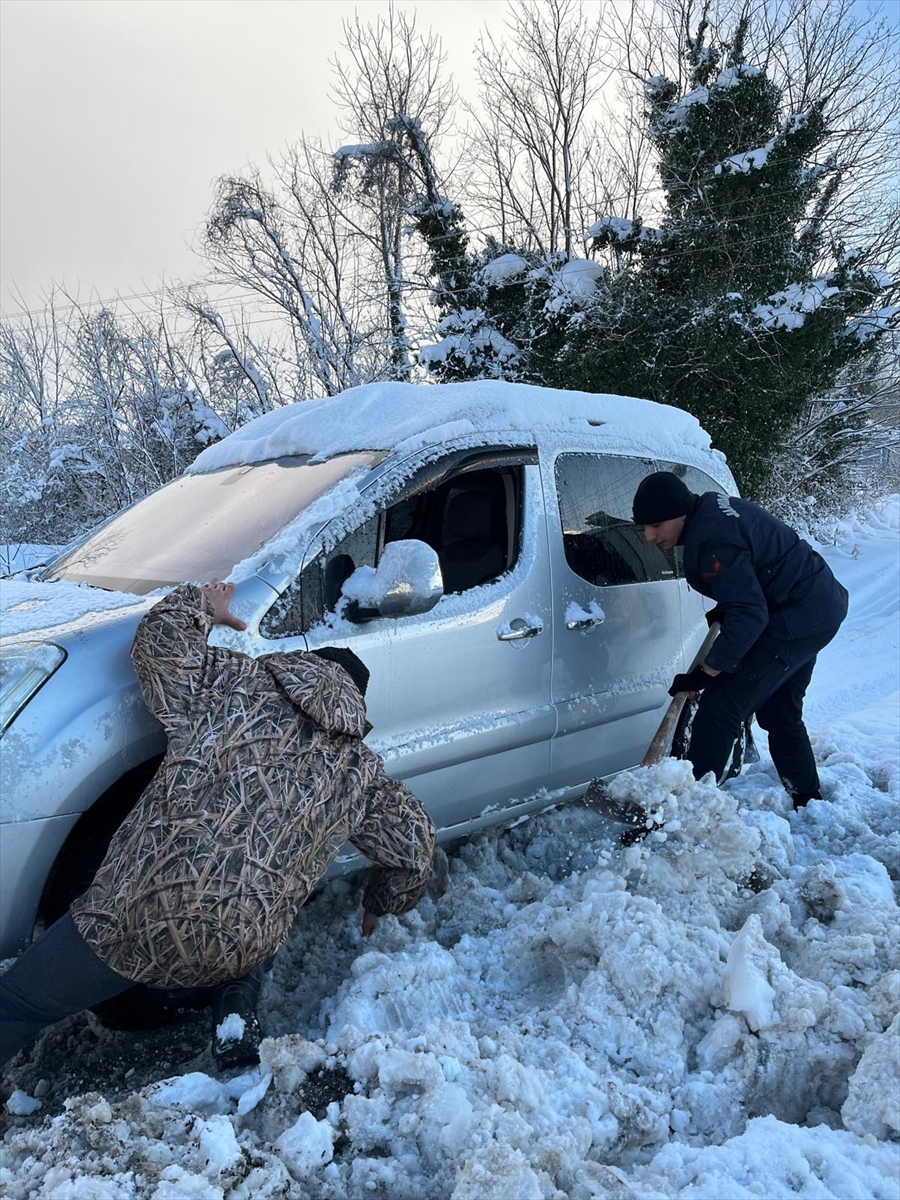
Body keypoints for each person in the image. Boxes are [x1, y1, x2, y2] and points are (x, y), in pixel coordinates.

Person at [1, 581, 435, 1071]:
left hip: (129, 923)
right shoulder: (361, 771)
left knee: (16, 1006)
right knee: (263, 899)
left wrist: (205, 605)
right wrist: (380, 902)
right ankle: (235, 1011)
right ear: (357, 707)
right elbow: (416, 845)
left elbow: (159, 645)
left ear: (297, 666)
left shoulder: (228, 683)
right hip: (238, 946)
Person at [632, 472, 848, 806]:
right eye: (643, 527)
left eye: (656, 525)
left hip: (800, 614)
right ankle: (808, 799)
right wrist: (728, 605)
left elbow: (751, 614)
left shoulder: (712, 537)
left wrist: (707, 671)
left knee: (720, 708)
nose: (648, 536)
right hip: (816, 603)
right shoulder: (711, 512)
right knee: (779, 712)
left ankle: (689, 807)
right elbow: (754, 570)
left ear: (680, 515)